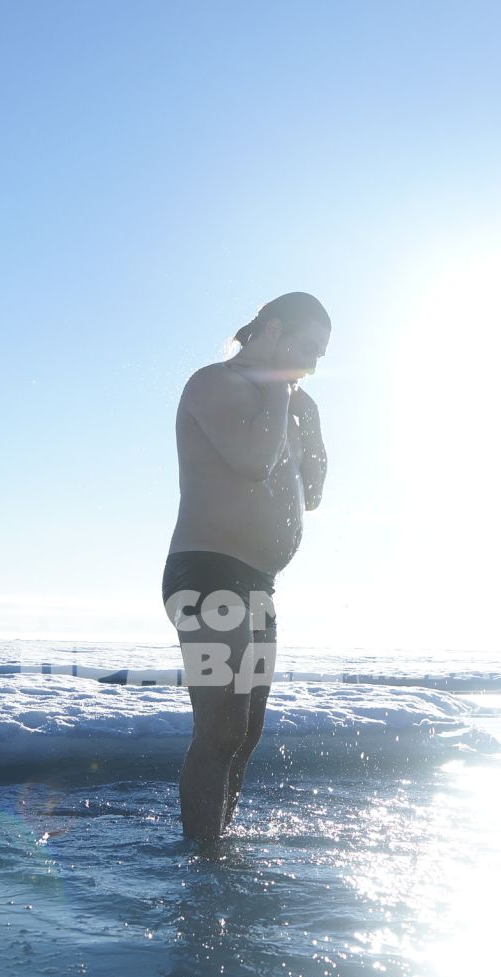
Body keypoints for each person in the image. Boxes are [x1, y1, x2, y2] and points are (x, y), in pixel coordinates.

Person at [162, 292, 330, 840]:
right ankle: (202, 862)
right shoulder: (214, 383)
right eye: (306, 349)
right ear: (274, 331)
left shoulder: (289, 403)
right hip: (207, 576)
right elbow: (253, 463)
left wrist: (311, 429)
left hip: (258, 586)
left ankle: (217, 844)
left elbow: (315, 496)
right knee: (221, 729)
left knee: (247, 733)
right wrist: (281, 390)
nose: (312, 365)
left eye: (320, 356)